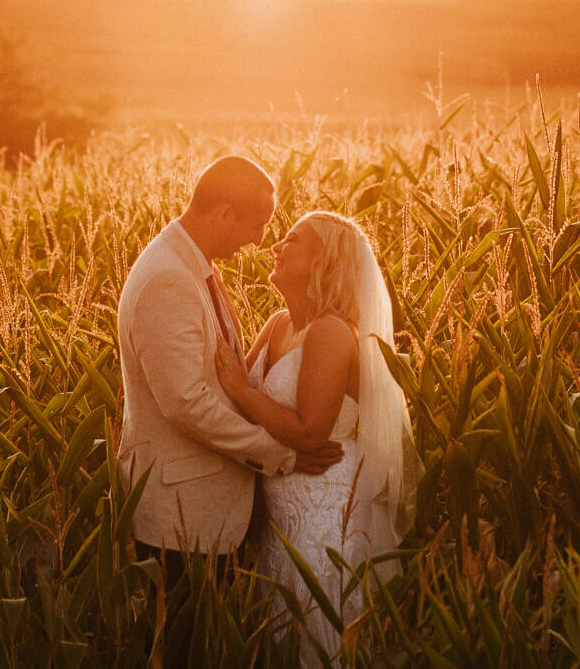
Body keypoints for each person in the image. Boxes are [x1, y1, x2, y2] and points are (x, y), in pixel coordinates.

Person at [116, 155, 344, 665]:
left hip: (209, 514)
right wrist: (280, 456)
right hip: (183, 516)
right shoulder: (168, 280)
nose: (261, 240)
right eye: (257, 224)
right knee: (188, 651)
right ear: (223, 213)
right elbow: (187, 404)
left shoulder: (191, 269)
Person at [214, 210, 416, 667]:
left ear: (325, 260)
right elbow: (235, 400)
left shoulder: (330, 331)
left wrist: (243, 391)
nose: (275, 247)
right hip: (281, 505)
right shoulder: (277, 323)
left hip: (326, 504)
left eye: (292, 239)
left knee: (316, 625)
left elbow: (309, 432)